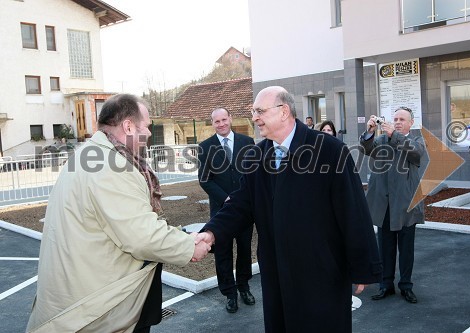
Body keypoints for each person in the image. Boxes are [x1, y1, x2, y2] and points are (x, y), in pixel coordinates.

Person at [197, 86, 382, 332]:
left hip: (321, 273)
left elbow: (353, 211)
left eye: (260, 111)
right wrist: (211, 233)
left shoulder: (329, 150)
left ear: (284, 111)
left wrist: (363, 265)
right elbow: (240, 204)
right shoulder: (257, 155)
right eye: (254, 111)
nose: (254, 117)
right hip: (277, 275)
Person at [26, 94, 211, 333]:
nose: (147, 133)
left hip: (78, 290)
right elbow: (140, 235)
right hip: (95, 307)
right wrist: (189, 246)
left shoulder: (88, 155)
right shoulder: (112, 166)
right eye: (146, 126)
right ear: (128, 126)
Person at [360, 107, 425, 304]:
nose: (397, 122)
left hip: (406, 204)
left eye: (402, 119)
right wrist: (370, 131)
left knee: (406, 250)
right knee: (385, 249)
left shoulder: (416, 141)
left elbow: (416, 154)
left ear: (411, 123)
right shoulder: (381, 140)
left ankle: (406, 286)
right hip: (385, 204)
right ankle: (385, 284)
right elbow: (366, 149)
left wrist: (394, 135)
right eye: (395, 118)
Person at [197, 107, 256, 313]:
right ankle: (229, 293)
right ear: (212, 123)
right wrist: (227, 197)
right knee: (222, 253)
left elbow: (252, 175)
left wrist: (242, 198)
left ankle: (244, 287)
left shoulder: (247, 143)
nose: (221, 124)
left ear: (230, 119)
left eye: (224, 119)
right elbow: (205, 180)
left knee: (244, 250)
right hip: (221, 211)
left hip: (244, 211)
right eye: (217, 121)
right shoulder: (205, 147)